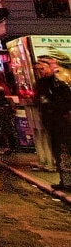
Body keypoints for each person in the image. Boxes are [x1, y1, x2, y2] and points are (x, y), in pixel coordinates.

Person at [34, 55, 71, 189]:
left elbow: (67, 103)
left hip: (63, 123)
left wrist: (50, 106)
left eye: (43, 69)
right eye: (39, 70)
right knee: (58, 153)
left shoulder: (59, 83)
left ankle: (68, 181)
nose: (41, 72)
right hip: (51, 123)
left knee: (65, 151)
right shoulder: (42, 84)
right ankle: (65, 181)